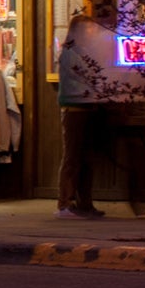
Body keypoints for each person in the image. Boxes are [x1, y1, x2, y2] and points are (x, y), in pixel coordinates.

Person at [55, 13, 107, 219]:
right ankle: (65, 203)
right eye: (88, 29)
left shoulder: (83, 51)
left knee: (86, 159)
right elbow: (88, 77)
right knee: (73, 157)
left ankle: (85, 203)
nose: (92, 32)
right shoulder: (71, 52)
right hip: (74, 109)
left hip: (87, 108)